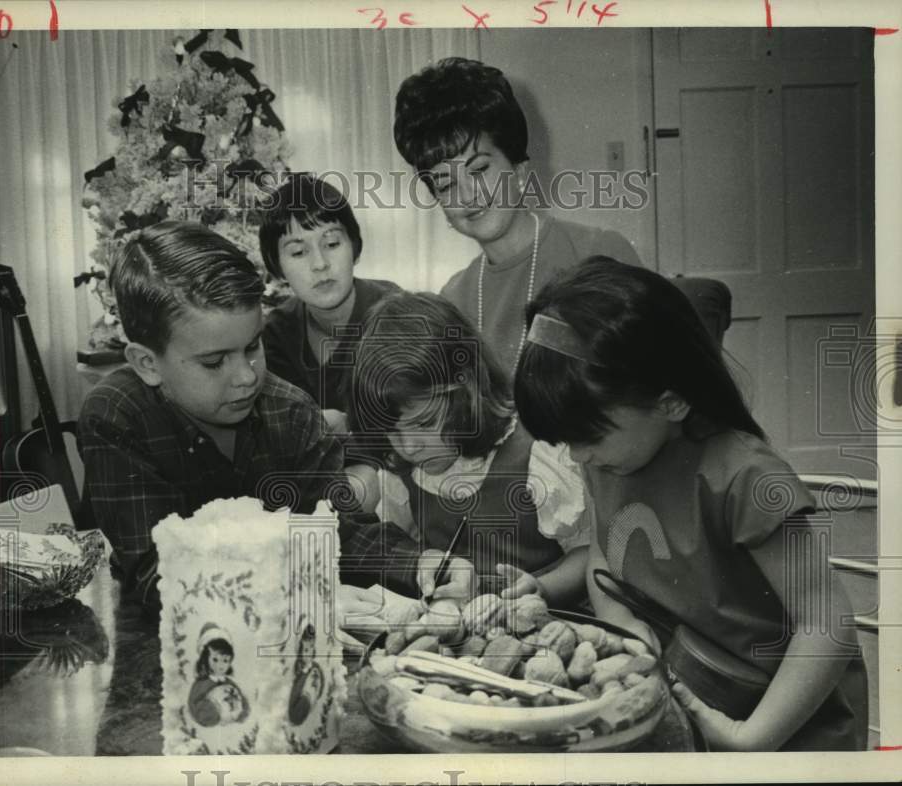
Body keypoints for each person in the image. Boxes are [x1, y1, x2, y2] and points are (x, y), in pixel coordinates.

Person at [511, 257, 868, 751]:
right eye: (566, 441)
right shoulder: (607, 459)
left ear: (672, 401)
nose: (577, 457)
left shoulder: (747, 478)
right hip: (693, 689)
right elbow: (603, 555)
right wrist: (626, 627)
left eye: (588, 436)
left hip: (785, 726)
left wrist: (751, 740)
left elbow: (827, 626)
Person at [76, 221, 473, 609]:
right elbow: (153, 572)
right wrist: (292, 595)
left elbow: (339, 530)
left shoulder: (291, 410)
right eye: (215, 362)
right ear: (147, 363)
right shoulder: (115, 414)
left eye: (253, 347)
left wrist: (421, 563)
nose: (247, 376)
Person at [393, 56, 642, 375]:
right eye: (445, 183)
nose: (468, 195)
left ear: (519, 169)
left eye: (480, 169)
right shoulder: (454, 300)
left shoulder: (599, 253)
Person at [347, 291, 590, 602]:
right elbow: (405, 550)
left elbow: (588, 553)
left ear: (467, 392)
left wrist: (543, 589)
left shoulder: (537, 453)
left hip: (549, 623)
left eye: (424, 423)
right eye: (390, 430)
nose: (408, 447)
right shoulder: (400, 472)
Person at [260, 173, 400, 434]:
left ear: (354, 247)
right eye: (299, 252)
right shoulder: (277, 332)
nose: (320, 264)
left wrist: (350, 426)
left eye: (332, 243)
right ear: (277, 267)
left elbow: (424, 416)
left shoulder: (397, 313)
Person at [187, 623, 249, 727]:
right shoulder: (202, 684)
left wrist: (242, 709)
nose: (221, 665)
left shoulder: (229, 682)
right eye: (215, 659)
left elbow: (241, 698)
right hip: (211, 727)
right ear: (205, 659)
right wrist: (212, 711)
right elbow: (194, 704)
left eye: (225, 660)